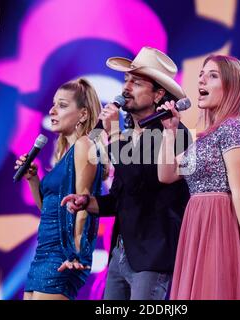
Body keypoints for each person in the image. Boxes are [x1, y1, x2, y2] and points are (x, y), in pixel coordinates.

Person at [62, 47, 191, 300]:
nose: (126, 88)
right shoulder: (129, 135)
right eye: (126, 80)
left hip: (152, 256)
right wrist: (89, 202)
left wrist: (111, 135)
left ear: (158, 94)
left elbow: (139, 181)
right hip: (121, 253)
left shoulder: (173, 133)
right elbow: (123, 197)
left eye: (137, 82)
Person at [157, 54, 240, 299]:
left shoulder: (235, 128)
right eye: (201, 75)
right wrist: (170, 132)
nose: (202, 81)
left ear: (232, 86)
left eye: (213, 76)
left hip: (219, 223)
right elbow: (166, 174)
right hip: (196, 223)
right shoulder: (203, 137)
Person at [14, 78, 106, 300]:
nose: (52, 110)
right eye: (54, 104)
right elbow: (49, 210)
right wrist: (33, 180)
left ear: (83, 114)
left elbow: (82, 205)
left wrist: (75, 254)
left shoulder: (85, 145)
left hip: (63, 254)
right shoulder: (66, 154)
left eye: (62, 105)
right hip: (43, 253)